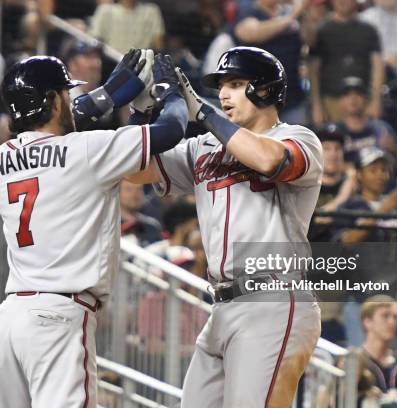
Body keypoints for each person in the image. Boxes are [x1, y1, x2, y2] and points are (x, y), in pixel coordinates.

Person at [0, 50, 190, 407]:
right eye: (65, 93)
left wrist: (109, 95)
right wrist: (171, 93)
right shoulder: (87, 150)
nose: (71, 98)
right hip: (59, 317)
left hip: (9, 319)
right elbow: (171, 130)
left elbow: (66, 131)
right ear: (53, 101)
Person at [128, 46, 323, 408]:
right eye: (221, 86)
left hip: (273, 300)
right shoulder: (203, 147)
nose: (223, 93)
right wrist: (140, 112)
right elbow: (135, 168)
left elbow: (270, 160)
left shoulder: (297, 136)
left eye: (235, 83)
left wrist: (202, 112)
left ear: (264, 89)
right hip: (221, 306)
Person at [308, 0, 384, 127]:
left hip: (363, 101)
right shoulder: (321, 31)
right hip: (331, 102)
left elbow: (377, 66)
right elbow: (313, 70)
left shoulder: (369, 30)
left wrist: (376, 101)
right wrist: (317, 105)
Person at [233, 0, 308, 124]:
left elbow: (310, 41)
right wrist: (291, 17)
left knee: (294, 141)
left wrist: (304, 15)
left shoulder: (287, 10)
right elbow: (252, 33)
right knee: (261, 141)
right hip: (258, 99)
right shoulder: (248, 8)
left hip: (291, 95)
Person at [334, 76, 397, 165]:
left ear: (366, 99)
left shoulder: (382, 129)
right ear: (340, 100)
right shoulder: (333, 132)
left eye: (358, 94)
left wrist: (392, 152)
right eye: (347, 94)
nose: (353, 98)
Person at [359, 295, 397, 393]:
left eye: (395, 317)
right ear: (367, 322)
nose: (392, 322)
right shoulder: (357, 362)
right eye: (385, 316)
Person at [88, 0, 165, 54]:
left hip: (140, 63)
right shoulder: (105, 10)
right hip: (111, 62)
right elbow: (94, 38)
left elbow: (158, 42)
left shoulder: (151, 11)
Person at [120, 180, 162, 246]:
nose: (134, 193)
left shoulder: (152, 225)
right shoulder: (110, 225)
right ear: (117, 193)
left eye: (139, 189)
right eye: (128, 189)